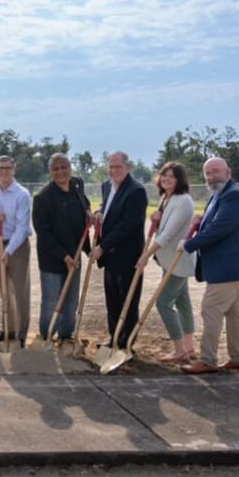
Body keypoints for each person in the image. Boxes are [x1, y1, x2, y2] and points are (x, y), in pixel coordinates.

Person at [180, 157, 239, 374]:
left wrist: (189, 244)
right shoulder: (218, 195)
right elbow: (214, 221)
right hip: (227, 266)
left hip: (228, 265)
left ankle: (207, 359)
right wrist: (201, 221)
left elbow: (220, 227)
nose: (212, 177)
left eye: (216, 172)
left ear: (228, 172)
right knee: (234, 313)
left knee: (210, 309)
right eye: (208, 173)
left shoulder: (234, 196)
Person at [91, 152, 148, 371]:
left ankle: (126, 343)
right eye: (111, 166)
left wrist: (102, 246)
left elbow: (129, 225)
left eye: (118, 167)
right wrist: (99, 210)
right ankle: (113, 337)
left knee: (128, 301)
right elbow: (108, 207)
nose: (114, 170)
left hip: (128, 256)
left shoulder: (136, 191)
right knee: (112, 299)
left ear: (127, 167)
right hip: (110, 257)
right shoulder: (108, 186)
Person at [135, 162, 197, 363]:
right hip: (168, 261)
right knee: (183, 303)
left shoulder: (184, 201)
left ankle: (179, 349)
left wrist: (145, 256)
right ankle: (188, 347)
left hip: (178, 262)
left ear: (179, 180)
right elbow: (162, 228)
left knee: (163, 303)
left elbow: (167, 236)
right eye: (164, 175)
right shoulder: (166, 198)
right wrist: (156, 218)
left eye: (172, 176)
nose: (167, 179)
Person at [32, 153, 91, 347]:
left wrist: (90, 212)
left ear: (70, 168)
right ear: (50, 172)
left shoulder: (76, 185)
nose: (61, 172)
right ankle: (47, 335)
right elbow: (44, 233)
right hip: (53, 258)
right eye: (56, 168)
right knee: (51, 302)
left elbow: (85, 203)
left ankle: (66, 336)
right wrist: (63, 256)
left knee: (71, 300)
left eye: (64, 167)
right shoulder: (43, 197)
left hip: (75, 255)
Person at [0, 155, 32, 347]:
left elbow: (22, 227)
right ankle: (8, 329)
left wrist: (9, 251)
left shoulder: (22, 194)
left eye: (7, 168)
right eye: (0, 168)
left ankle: (21, 335)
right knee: (4, 289)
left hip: (17, 247)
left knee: (20, 291)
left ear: (14, 170)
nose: (3, 171)